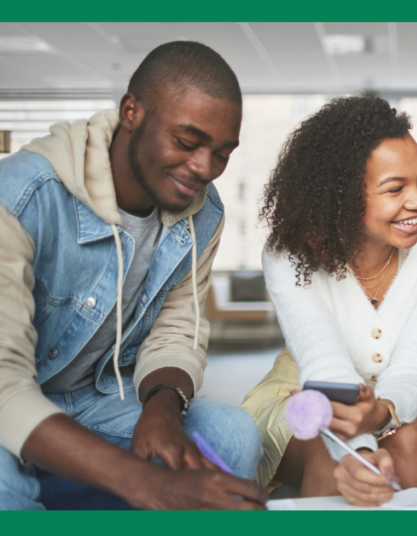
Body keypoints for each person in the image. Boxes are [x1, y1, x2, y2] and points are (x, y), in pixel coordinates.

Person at [0, 41, 267, 510]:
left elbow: (177, 331)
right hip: (12, 397)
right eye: (186, 142)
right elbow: (5, 386)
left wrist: (164, 407)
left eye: (222, 153)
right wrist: (146, 482)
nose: (204, 168)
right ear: (131, 112)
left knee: (230, 436)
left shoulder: (203, 213)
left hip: (93, 398)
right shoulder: (22, 197)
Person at [241, 95, 417, 506]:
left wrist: (385, 411)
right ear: (339, 196)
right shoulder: (288, 254)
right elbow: (325, 363)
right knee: (332, 454)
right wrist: (359, 449)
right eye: (395, 188)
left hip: (405, 391)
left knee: (409, 439)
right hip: (307, 392)